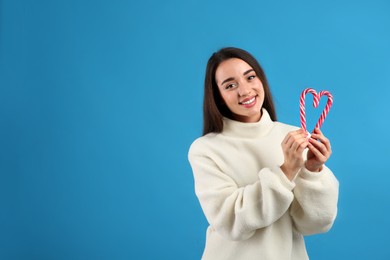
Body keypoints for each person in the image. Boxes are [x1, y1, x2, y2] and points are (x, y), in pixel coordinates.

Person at [188, 47, 339, 260]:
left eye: (250, 77)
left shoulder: (291, 136)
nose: (245, 90)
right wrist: (286, 171)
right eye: (230, 85)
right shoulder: (205, 149)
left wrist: (313, 171)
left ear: (261, 80)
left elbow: (314, 224)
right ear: (218, 97)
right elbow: (230, 222)